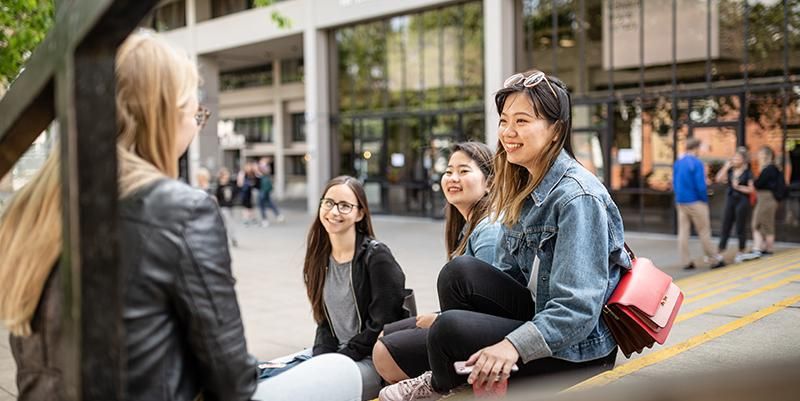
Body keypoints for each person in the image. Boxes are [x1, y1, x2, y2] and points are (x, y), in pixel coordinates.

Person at [0, 32, 361, 401]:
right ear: (164, 116)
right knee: (339, 371)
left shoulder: (31, 209)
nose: (195, 126)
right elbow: (231, 381)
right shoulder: (183, 210)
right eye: (195, 114)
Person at [379, 71, 630, 401]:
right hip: (540, 316)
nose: (508, 132)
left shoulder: (577, 198)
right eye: (504, 120)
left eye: (522, 121)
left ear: (556, 130)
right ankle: (474, 376)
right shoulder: (527, 184)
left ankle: (445, 385)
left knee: (449, 329)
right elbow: (506, 275)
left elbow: (577, 310)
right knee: (459, 273)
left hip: (578, 350)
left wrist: (512, 345)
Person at [373, 142, 503, 384]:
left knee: (386, 351)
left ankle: (437, 384)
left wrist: (439, 319)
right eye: (448, 171)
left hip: (483, 332)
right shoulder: (468, 225)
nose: (453, 178)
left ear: (490, 183)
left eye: (464, 171)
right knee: (387, 333)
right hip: (462, 320)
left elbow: (490, 310)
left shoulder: (490, 230)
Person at [304, 175, 408, 400]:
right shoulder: (319, 259)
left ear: (359, 213)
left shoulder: (377, 257)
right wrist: (321, 358)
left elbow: (382, 323)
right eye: (328, 202)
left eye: (344, 206)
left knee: (317, 390)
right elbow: (324, 322)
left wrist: (340, 359)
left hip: (374, 361)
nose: (334, 212)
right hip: (339, 356)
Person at [672, 137, 725, 270]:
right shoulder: (697, 163)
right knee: (704, 231)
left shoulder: (678, 163)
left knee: (683, 232)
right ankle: (713, 259)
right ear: (695, 148)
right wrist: (704, 199)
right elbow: (700, 185)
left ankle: (686, 261)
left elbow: (674, 182)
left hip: (681, 201)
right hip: (696, 201)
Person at [714, 147, 755, 262]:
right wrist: (726, 166)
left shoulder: (748, 173)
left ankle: (741, 251)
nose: (735, 160)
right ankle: (720, 251)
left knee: (740, 227)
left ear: (743, 160)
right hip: (730, 200)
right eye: (734, 157)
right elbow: (718, 178)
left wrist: (739, 187)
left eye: (737, 158)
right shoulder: (730, 171)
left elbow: (751, 190)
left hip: (742, 201)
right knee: (725, 225)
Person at [746, 146, 783, 258]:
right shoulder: (774, 169)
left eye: (760, 155)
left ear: (766, 156)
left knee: (761, 223)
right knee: (763, 224)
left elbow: (759, 184)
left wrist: (753, 184)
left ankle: (765, 248)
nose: (758, 157)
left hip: (766, 199)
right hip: (767, 199)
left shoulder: (769, 169)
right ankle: (762, 248)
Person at [257, 156, 285, 226]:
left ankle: (265, 219)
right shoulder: (265, 167)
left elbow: (263, 173)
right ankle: (278, 215)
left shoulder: (263, 167)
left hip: (263, 189)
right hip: (264, 189)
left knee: (262, 205)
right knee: (269, 203)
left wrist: (260, 168)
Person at [216, 167, 239, 247]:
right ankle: (230, 238)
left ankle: (232, 238)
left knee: (231, 223)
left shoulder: (231, 184)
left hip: (231, 206)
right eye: (225, 175)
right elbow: (217, 196)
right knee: (227, 223)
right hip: (223, 207)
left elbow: (236, 191)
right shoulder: (219, 185)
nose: (227, 176)